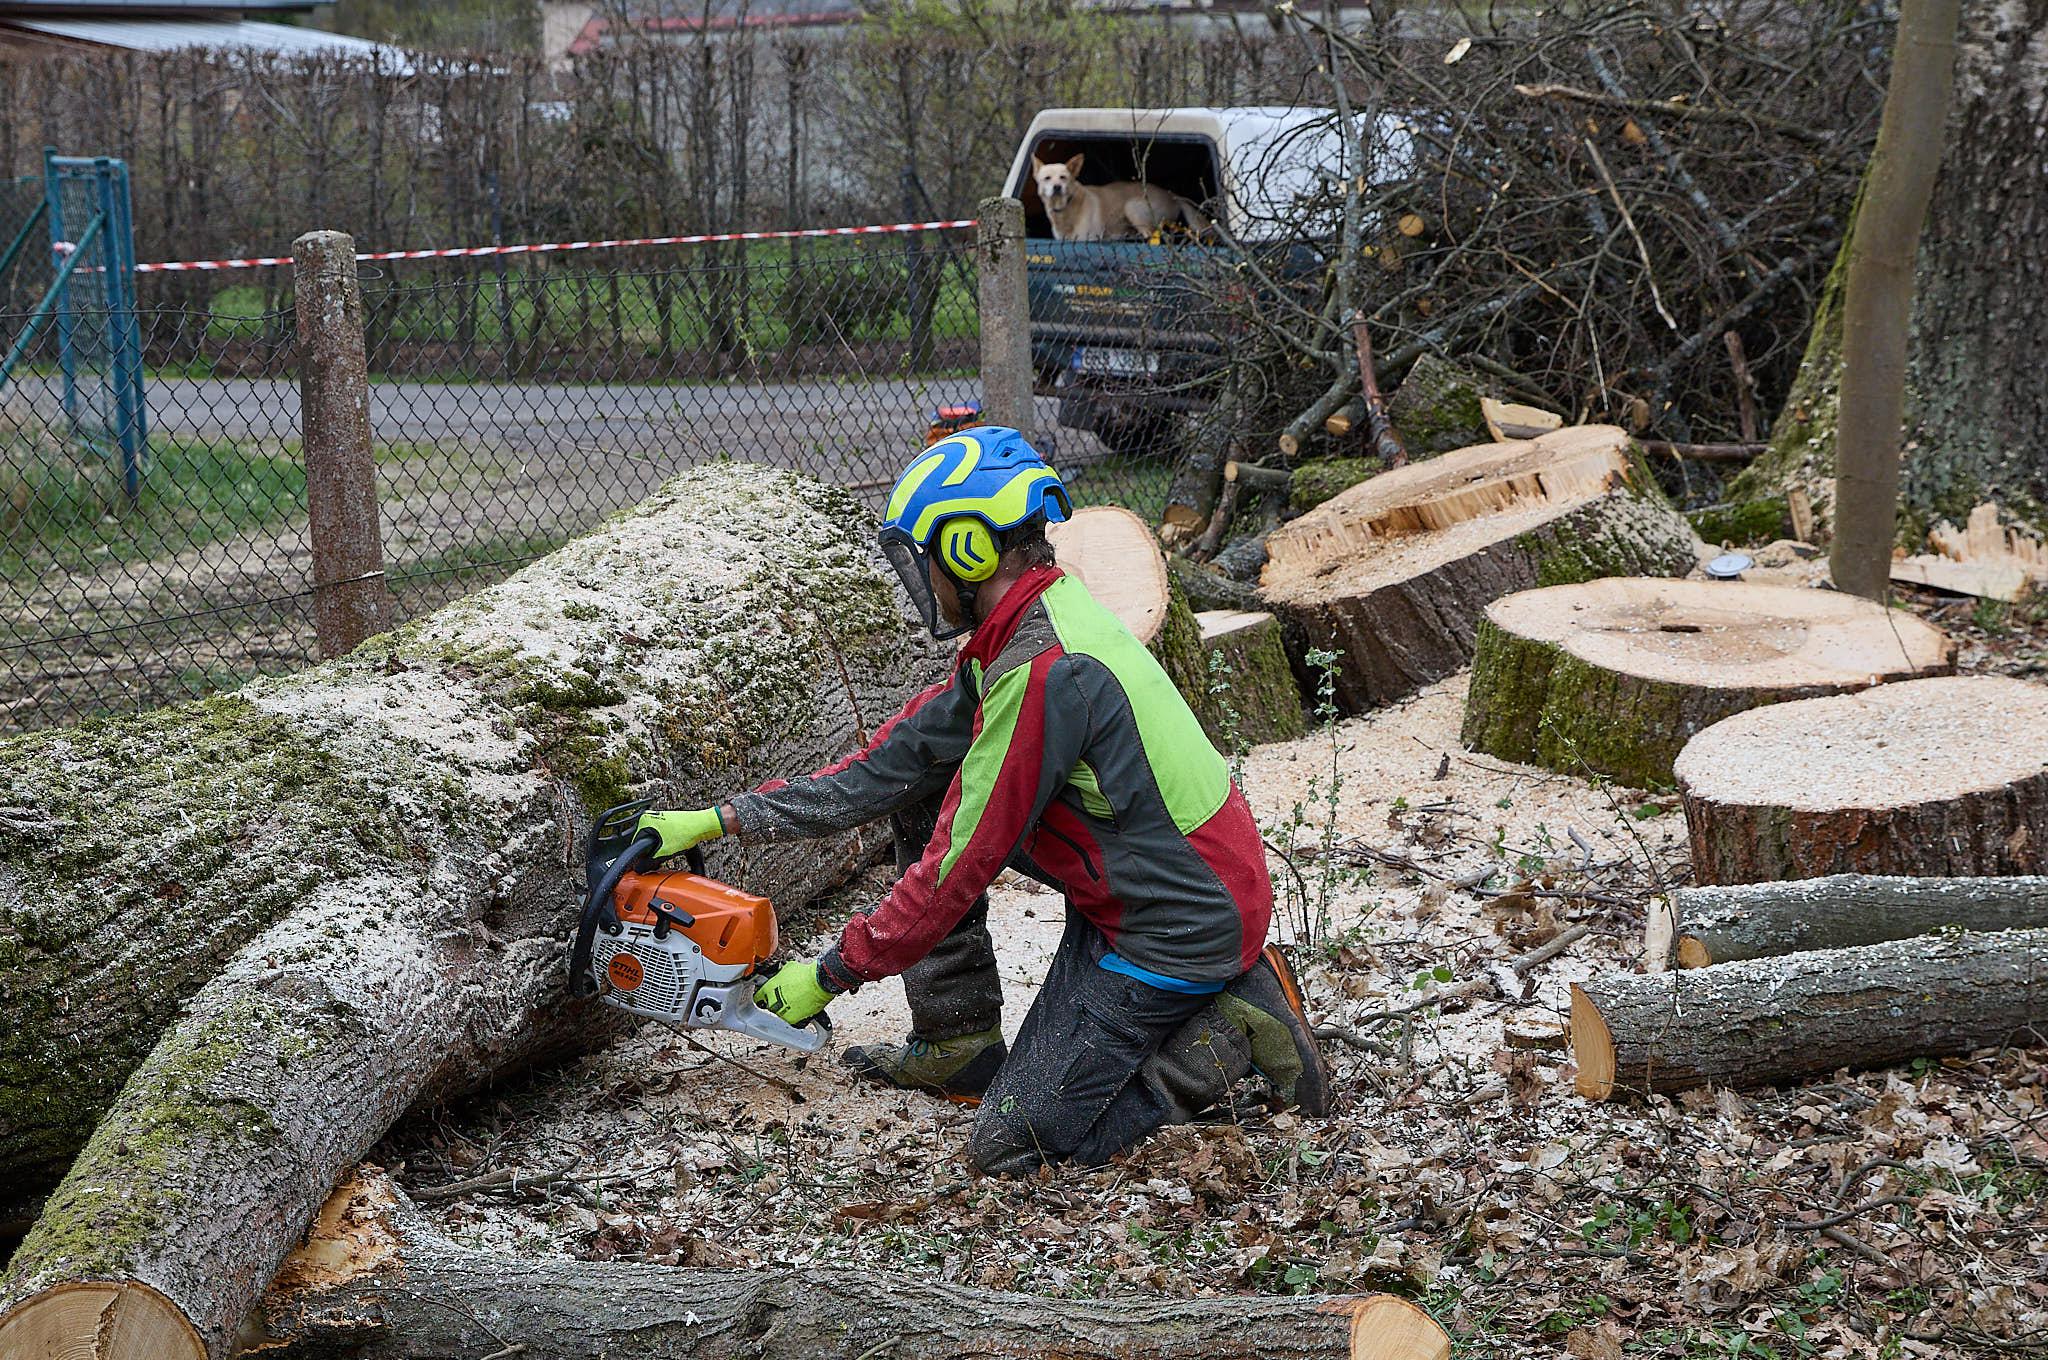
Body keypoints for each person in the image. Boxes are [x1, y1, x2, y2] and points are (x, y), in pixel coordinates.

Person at [635, 426, 1330, 1173]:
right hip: (1137, 888)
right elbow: (888, 767)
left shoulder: (1045, 673)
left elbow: (957, 869)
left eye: (925, 560)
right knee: (920, 783)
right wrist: (725, 818)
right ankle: (956, 1041)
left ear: (969, 550)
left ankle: (1236, 1035)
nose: (922, 580)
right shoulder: (1022, 634)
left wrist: (833, 971)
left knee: (1016, 1148)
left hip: (1178, 921)